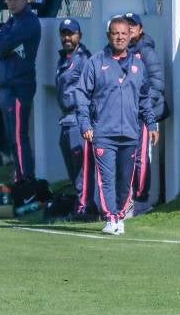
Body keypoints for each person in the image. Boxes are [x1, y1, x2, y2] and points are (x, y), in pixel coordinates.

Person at [76, 16, 158, 235]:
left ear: (130, 35)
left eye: (124, 33)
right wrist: (85, 123)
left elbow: (144, 97)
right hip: (103, 133)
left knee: (125, 181)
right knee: (106, 179)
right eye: (115, 33)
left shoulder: (138, 65)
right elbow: (82, 94)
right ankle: (111, 218)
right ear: (108, 35)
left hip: (131, 133)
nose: (120, 37)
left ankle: (120, 215)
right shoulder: (95, 62)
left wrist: (152, 123)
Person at [0, 0, 42, 183]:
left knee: (20, 136)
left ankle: (26, 179)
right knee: (12, 136)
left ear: (24, 0)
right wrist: (1, 45)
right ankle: (19, 175)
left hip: (20, 86)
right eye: (9, 0)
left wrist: (2, 45)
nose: (11, 3)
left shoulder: (28, 22)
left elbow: (0, 46)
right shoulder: (11, 21)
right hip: (6, 86)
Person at [124, 12, 167, 216]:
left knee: (141, 158)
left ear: (140, 29)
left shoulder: (146, 52)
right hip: (124, 115)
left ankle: (141, 200)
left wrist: (143, 107)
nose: (130, 29)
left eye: (133, 25)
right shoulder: (120, 52)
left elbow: (157, 84)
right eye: (127, 25)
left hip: (142, 115)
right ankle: (129, 199)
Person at [55, 18, 95, 217]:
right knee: (73, 169)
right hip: (66, 119)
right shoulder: (64, 59)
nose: (67, 38)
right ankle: (82, 205)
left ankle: (85, 208)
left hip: (78, 119)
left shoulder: (84, 59)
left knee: (82, 168)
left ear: (79, 35)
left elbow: (92, 89)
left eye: (71, 33)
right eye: (64, 33)